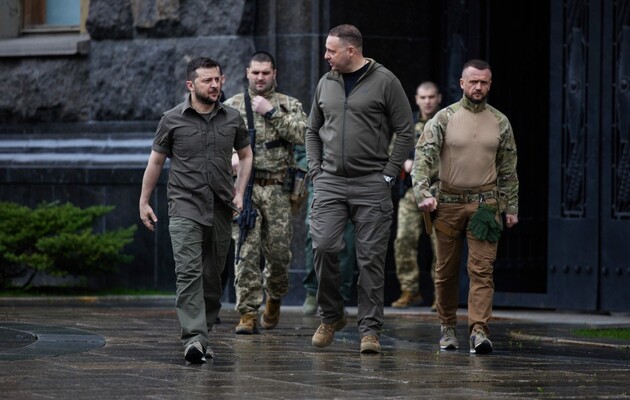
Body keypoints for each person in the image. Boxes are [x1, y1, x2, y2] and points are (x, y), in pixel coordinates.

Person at [306, 24, 414, 354]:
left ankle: (370, 330)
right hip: (330, 182)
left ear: (350, 51)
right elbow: (312, 130)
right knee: (324, 247)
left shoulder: (386, 81)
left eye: (331, 50)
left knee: (370, 261)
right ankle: (331, 316)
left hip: (371, 184)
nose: (325, 56)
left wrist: (388, 174)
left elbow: (405, 131)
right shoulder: (326, 82)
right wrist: (316, 171)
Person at [139, 57, 253, 363]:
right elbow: (156, 161)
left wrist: (240, 192)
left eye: (218, 79)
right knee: (188, 272)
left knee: (213, 277)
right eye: (207, 80)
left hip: (221, 207)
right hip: (184, 205)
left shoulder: (232, 118)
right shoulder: (171, 119)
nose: (215, 85)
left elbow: (245, 155)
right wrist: (144, 201)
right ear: (191, 85)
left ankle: (203, 335)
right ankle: (193, 338)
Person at [412, 59, 519, 354]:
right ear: (462, 83)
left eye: (484, 82)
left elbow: (508, 168)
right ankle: (447, 327)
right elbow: (422, 158)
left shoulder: (500, 121)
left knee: (482, 270)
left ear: (490, 84)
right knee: (446, 271)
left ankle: (479, 331)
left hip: (485, 207)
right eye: (473, 81)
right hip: (448, 204)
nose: (478, 87)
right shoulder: (444, 118)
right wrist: (422, 193)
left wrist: (511, 207)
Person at [224, 51, 307, 334]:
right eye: (255, 72)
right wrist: (230, 156)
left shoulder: (288, 104)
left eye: (265, 73)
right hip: (243, 189)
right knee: (246, 251)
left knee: (279, 254)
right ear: (247, 73)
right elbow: (214, 143)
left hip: (277, 189)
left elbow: (304, 135)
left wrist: (270, 112)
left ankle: (274, 296)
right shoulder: (232, 106)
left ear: (274, 74)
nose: (260, 78)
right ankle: (247, 312)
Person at [391, 82, 441, 309]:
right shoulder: (407, 124)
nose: (427, 101)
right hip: (411, 192)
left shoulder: (447, 122)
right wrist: (404, 161)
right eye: (423, 97)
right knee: (404, 239)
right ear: (416, 99)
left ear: (439, 98)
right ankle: (410, 290)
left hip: (439, 191)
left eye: (431, 97)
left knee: (440, 244)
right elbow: (393, 151)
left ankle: (441, 294)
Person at [296, 144, 357, 315]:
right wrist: (317, 170)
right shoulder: (315, 124)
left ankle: (339, 297)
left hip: (351, 182)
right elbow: (300, 152)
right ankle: (313, 292)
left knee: (346, 242)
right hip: (321, 182)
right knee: (314, 239)